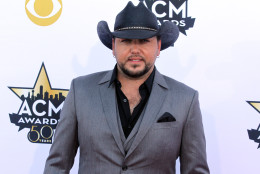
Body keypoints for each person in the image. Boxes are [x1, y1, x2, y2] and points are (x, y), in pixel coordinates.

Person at [43, 1, 210, 174]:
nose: (135, 49)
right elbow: (57, 165)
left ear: (158, 46)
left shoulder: (186, 99)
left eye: (144, 41)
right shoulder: (80, 91)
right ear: (114, 46)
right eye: (126, 41)